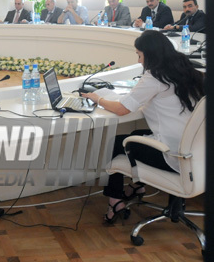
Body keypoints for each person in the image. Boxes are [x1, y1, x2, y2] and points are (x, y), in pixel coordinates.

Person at [80, 30, 204, 223]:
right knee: (137, 134)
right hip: (196, 152)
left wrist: (98, 98)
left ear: (151, 54)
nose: (138, 61)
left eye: (139, 55)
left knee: (117, 143)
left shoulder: (154, 77)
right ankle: (137, 187)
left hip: (174, 155)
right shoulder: (184, 69)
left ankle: (115, 202)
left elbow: (122, 109)